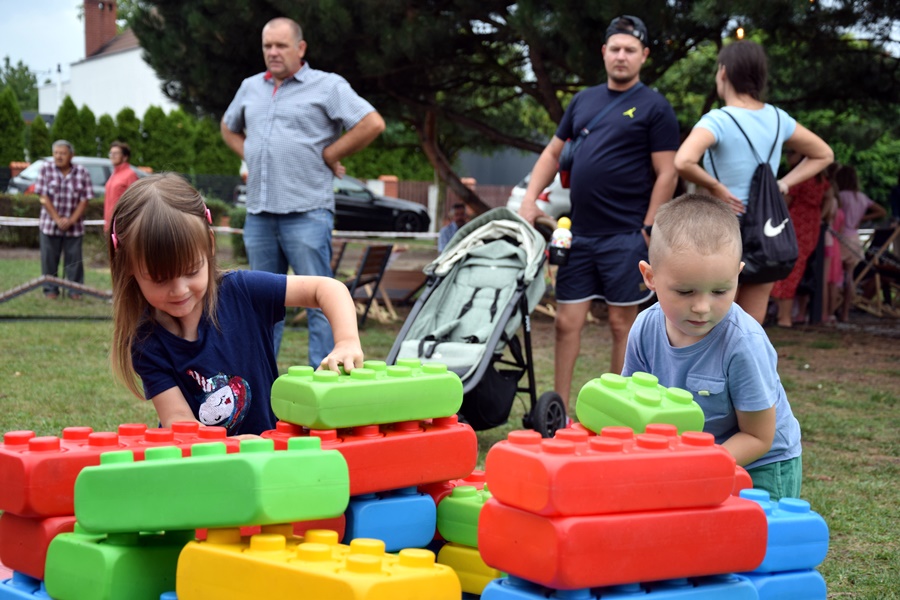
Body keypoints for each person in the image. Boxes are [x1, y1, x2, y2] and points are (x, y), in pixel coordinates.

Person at [108, 173, 364, 437]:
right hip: (202, 461)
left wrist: (346, 341)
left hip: (268, 456)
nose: (180, 289)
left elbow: (327, 289)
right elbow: (178, 421)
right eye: (160, 279)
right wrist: (233, 446)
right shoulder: (146, 341)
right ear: (129, 267)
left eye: (192, 270)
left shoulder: (243, 291)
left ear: (209, 245)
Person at [517, 15, 680, 413]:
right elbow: (553, 153)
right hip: (579, 235)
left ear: (644, 55)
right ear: (604, 52)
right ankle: (557, 412)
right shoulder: (582, 101)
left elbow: (668, 172)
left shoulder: (655, 107)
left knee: (623, 326)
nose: (621, 56)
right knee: (565, 323)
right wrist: (529, 199)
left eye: (630, 50)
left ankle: (615, 414)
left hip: (626, 236)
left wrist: (649, 227)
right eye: (615, 48)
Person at [221, 16, 385, 367]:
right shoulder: (250, 87)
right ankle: (260, 382)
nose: (273, 52)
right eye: (267, 46)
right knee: (261, 304)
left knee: (322, 302)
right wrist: (250, 153)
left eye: (281, 45)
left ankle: (324, 382)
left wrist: (332, 153)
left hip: (308, 212)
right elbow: (227, 126)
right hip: (259, 214)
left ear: (301, 48)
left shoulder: (327, 85)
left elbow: (372, 123)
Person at [623, 193, 802, 500]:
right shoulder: (644, 328)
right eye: (685, 291)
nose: (702, 307)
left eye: (720, 291)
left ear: (737, 275)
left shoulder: (743, 342)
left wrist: (696, 467)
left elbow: (758, 436)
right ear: (650, 277)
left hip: (760, 466)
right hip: (690, 461)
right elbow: (631, 407)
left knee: (751, 532)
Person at [674, 40, 833, 325]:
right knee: (750, 326)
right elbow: (824, 154)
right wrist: (782, 184)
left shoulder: (718, 120)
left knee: (712, 320)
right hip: (766, 230)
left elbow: (683, 161)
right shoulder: (778, 118)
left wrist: (716, 187)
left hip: (723, 227)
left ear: (723, 72)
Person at [770, 150, 833, 327]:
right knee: (795, 269)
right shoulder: (820, 179)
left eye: (792, 154)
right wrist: (821, 216)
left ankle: (784, 317)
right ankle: (784, 315)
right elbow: (829, 198)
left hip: (794, 226)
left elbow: (785, 203)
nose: (788, 157)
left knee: (787, 270)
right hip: (811, 227)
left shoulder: (799, 178)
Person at [34, 140, 94, 300]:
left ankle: (75, 291)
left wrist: (71, 220)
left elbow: (85, 199)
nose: (59, 156)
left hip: (74, 227)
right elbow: (42, 196)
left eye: (63, 153)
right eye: (56, 153)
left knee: (74, 261)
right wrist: (57, 219)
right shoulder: (45, 169)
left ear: (71, 155)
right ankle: (50, 290)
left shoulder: (82, 172)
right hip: (49, 225)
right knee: (49, 260)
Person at [834, 164, 888, 322]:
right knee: (850, 278)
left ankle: (831, 309)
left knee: (835, 276)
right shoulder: (861, 197)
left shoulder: (840, 196)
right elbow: (882, 211)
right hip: (855, 238)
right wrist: (862, 218)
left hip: (841, 238)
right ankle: (845, 312)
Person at [103, 141, 139, 231]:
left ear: (125, 157)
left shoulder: (130, 174)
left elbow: (135, 201)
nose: (112, 156)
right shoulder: (114, 174)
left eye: (116, 153)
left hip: (121, 224)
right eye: (111, 153)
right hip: (109, 224)